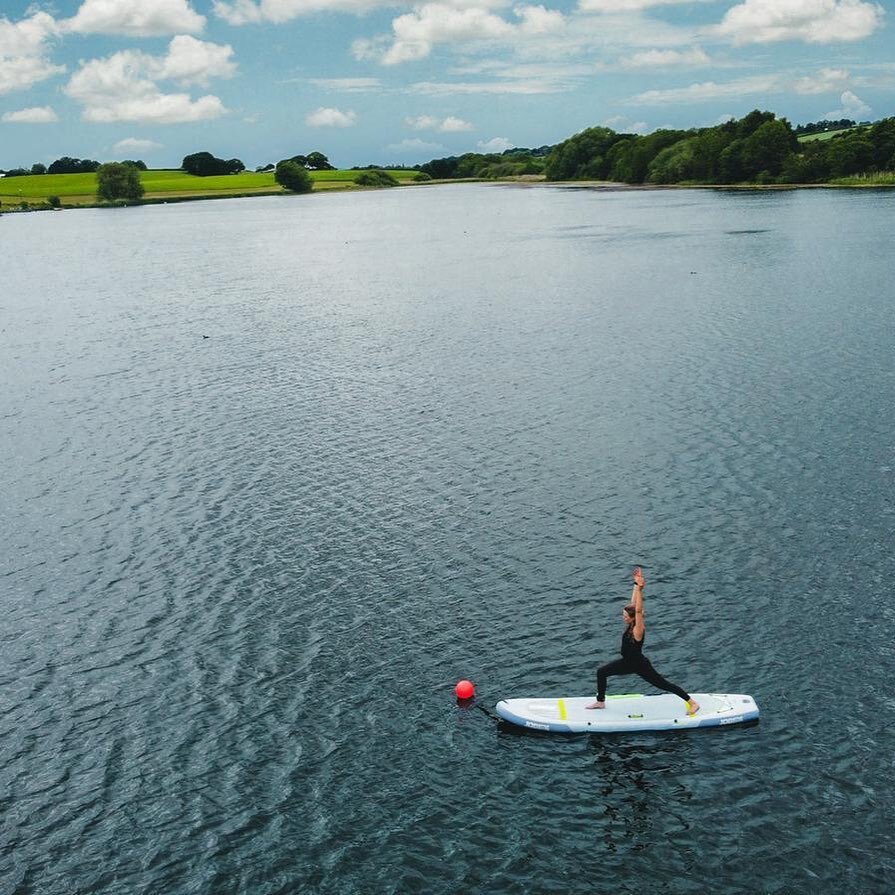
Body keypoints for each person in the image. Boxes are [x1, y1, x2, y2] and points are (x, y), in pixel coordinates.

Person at [586, 567, 699, 715]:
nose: (623, 617)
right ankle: (600, 701)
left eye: (626, 616)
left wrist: (640, 590)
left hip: (640, 665)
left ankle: (692, 703)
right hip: (627, 662)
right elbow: (634, 605)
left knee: (663, 684)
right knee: (601, 672)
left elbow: (638, 610)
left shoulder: (637, 630)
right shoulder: (630, 623)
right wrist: (635, 584)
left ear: (633, 618)